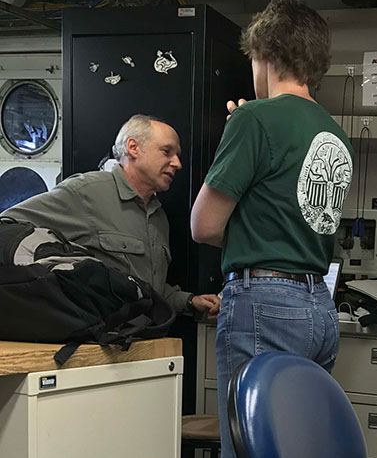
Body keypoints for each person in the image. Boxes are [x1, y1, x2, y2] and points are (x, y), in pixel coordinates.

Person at [190, 0, 353, 458]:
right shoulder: (334, 134)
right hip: (317, 309)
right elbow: (292, 210)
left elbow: (204, 225)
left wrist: (240, 133)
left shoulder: (256, 119)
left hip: (262, 304)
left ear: (265, 53)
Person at [5, 114, 220, 319]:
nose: (177, 163)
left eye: (177, 155)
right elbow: (8, 226)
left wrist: (190, 301)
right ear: (133, 148)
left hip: (143, 343)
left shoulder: (158, 217)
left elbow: (149, 289)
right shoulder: (86, 193)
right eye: (167, 151)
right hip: (97, 343)